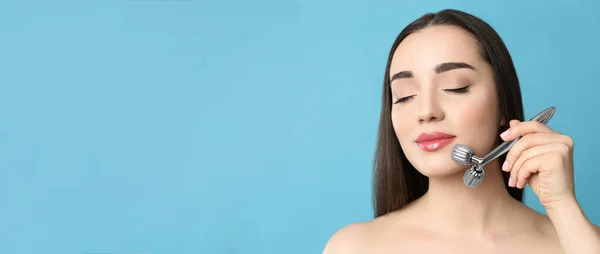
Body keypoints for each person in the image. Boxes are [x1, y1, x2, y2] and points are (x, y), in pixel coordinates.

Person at [323, 9, 600, 253]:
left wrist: (563, 206)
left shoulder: (577, 241)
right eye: (404, 95)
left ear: (503, 103)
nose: (426, 111)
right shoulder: (355, 247)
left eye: (455, 87)